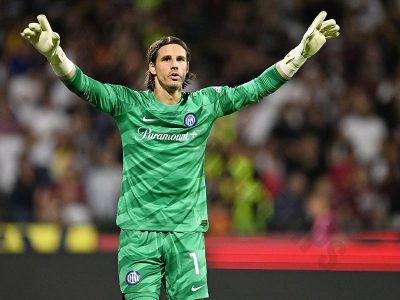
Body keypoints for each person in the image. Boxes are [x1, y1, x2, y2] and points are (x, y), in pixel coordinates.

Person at [20, 11, 339, 300]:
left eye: (182, 60)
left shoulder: (205, 104)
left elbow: (256, 88)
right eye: (167, 59)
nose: (175, 65)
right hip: (139, 234)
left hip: (186, 235)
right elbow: (85, 86)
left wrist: (301, 54)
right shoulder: (129, 104)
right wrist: (54, 54)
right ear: (152, 67)